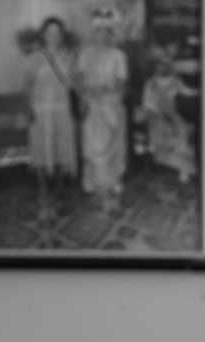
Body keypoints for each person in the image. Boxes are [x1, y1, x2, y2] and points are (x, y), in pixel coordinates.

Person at [75, 3, 130, 203]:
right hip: (91, 106)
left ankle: (113, 180)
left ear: (111, 33)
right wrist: (85, 96)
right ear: (93, 32)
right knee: (93, 147)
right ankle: (94, 182)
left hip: (111, 105)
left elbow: (122, 83)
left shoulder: (119, 56)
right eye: (98, 31)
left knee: (113, 146)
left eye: (107, 31)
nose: (103, 35)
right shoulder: (84, 54)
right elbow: (79, 81)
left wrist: (108, 92)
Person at [24, 17, 78, 193]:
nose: (53, 36)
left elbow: (74, 83)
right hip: (40, 109)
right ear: (43, 34)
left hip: (62, 108)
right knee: (40, 146)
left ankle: (60, 183)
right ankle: (43, 184)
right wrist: (28, 108)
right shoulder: (33, 57)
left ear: (62, 35)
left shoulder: (69, 56)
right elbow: (28, 85)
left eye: (57, 33)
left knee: (63, 145)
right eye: (49, 32)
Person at [137, 45, 197, 186]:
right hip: (156, 115)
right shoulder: (150, 83)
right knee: (160, 133)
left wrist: (201, 90)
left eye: (165, 65)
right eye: (159, 65)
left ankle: (184, 170)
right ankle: (162, 165)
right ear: (155, 67)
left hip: (172, 114)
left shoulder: (175, 81)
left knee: (182, 131)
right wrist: (155, 112)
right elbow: (147, 102)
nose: (162, 68)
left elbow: (188, 91)